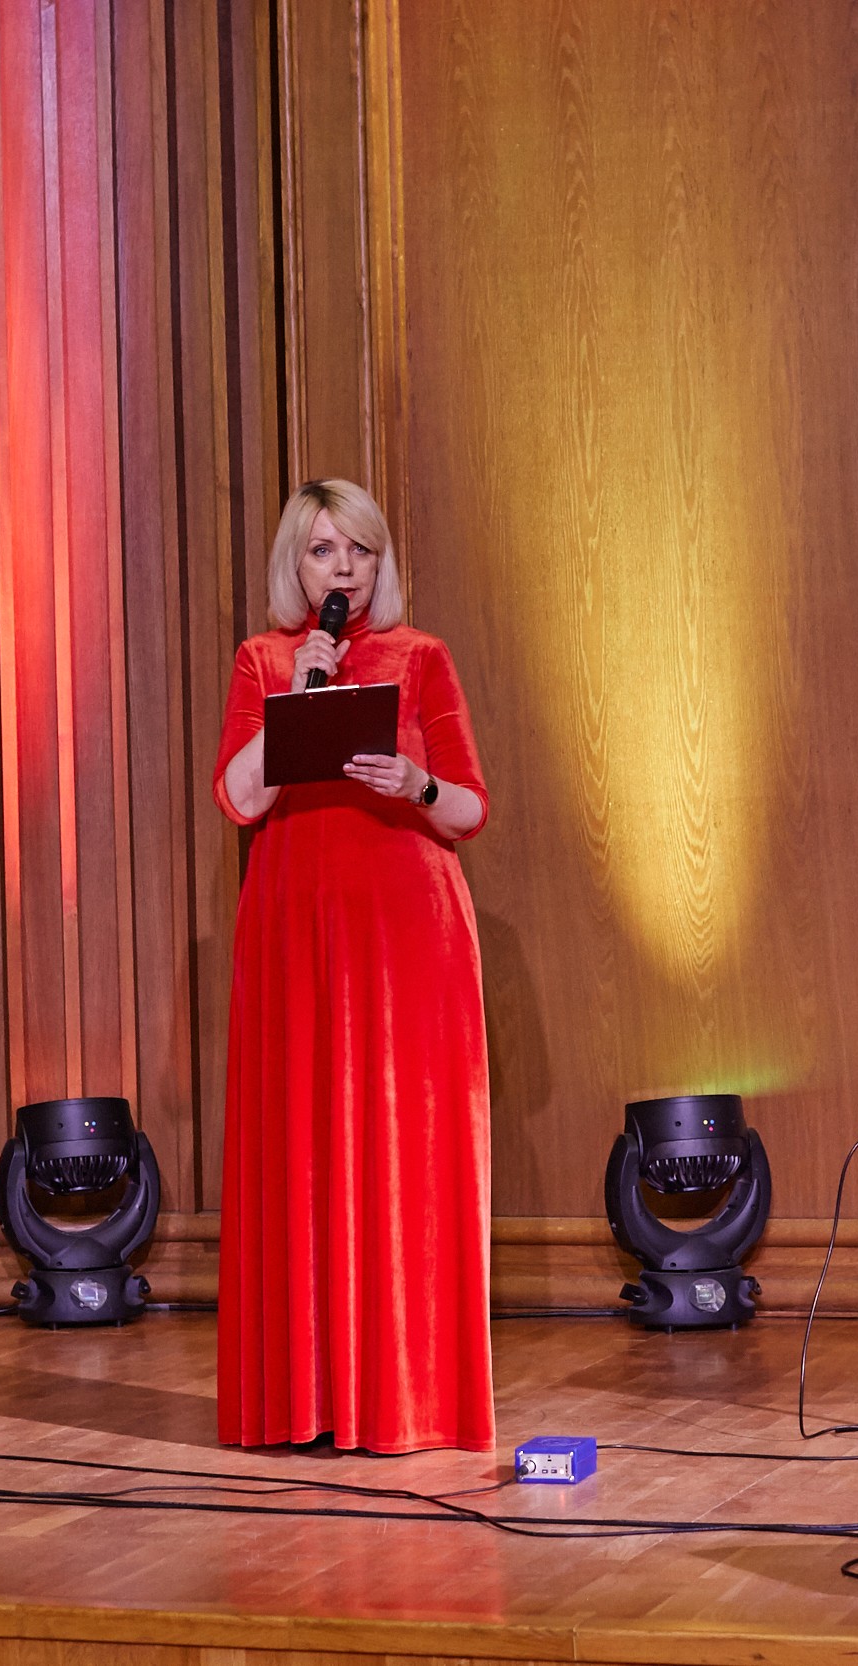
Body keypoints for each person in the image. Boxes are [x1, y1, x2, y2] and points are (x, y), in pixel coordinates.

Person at [211, 478, 494, 1454]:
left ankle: (407, 1398)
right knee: (301, 1146)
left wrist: (415, 783)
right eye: (324, 551)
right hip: (295, 925)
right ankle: (307, 1397)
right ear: (295, 566)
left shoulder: (422, 658)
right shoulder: (265, 661)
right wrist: (295, 695)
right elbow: (239, 799)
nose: (344, 570)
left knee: (402, 1149)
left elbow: (469, 808)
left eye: (360, 551)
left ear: (382, 562)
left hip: (408, 928)